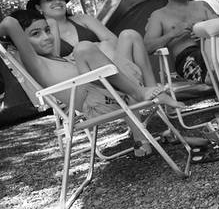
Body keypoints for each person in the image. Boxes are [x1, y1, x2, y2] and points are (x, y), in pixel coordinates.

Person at [0, 9, 184, 157]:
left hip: (107, 92)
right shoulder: (34, 63)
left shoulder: (52, 56)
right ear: (18, 43)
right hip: (95, 105)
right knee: (83, 48)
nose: (46, 37)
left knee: (129, 36)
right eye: (35, 34)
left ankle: (153, 94)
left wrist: (46, 22)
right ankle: (141, 92)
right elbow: (9, 23)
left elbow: (53, 22)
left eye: (46, 31)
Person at [144, 0, 218, 83]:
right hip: (187, 58)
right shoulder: (158, 15)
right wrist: (173, 33)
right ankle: (214, 76)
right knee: (213, 66)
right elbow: (147, 47)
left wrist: (204, 31)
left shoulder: (202, 5)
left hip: (214, 50)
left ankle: (216, 75)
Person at [26, 0, 117, 57]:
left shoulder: (83, 19)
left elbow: (113, 40)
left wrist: (95, 49)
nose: (57, 2)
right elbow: (50, 63)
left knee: (127, 35)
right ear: (39, 7)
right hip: (79, 75)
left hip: (110, 61)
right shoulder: (40, 35)